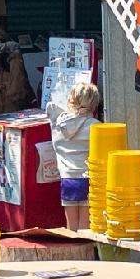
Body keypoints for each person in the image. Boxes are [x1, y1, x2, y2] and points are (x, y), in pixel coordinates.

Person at [48, 77, 101, 232]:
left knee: (71, 229)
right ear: (93, 104)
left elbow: (51, 108)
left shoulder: (58, 124)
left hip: (67, 179)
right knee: (86, 229)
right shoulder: (95, 127)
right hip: (88, 179)